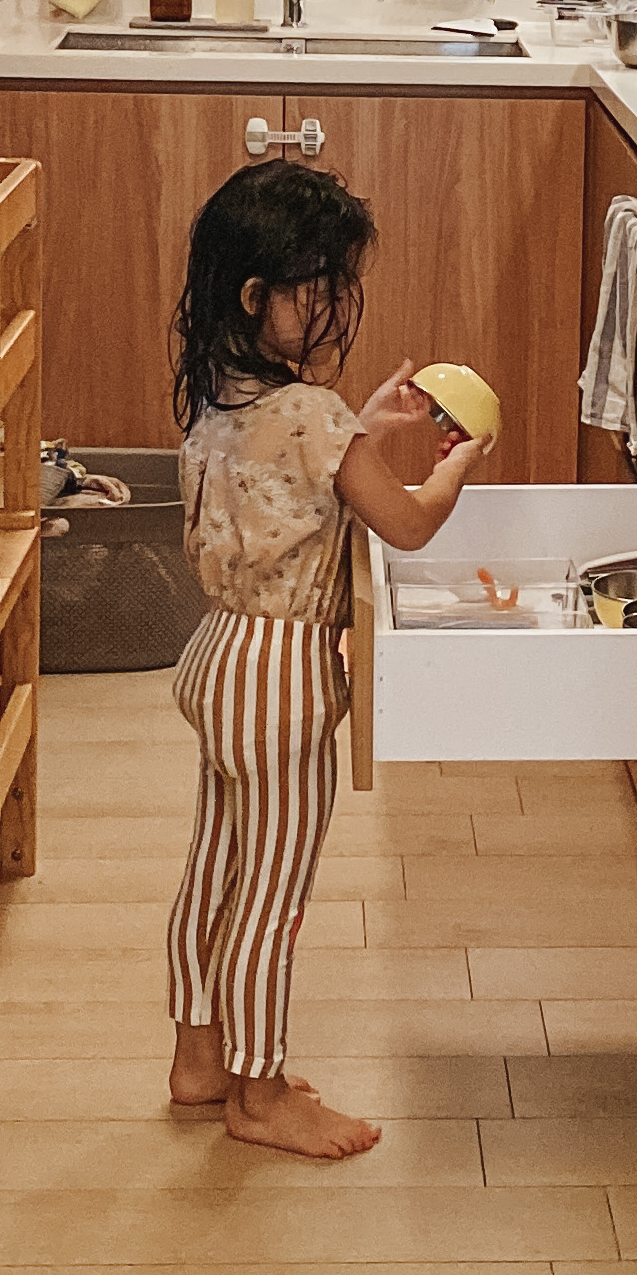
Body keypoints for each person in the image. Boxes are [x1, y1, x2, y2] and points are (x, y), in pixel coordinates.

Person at [165, 162, 486, 1161]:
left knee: (214, 870)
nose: (329, 302)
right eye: (316, 286)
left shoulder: (219, 390)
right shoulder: (314, 416)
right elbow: (406, 521)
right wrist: (454, 463)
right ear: (259, 296)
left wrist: (364, 422)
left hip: (218, 657)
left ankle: (200, 1056)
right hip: (285, 679)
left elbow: (296, 469)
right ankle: (259, 1096)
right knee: (274, 895)